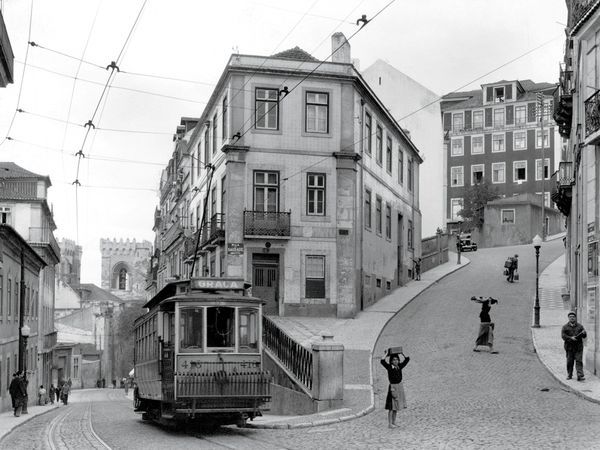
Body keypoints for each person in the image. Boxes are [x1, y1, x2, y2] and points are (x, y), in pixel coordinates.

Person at [380, 349, 410, 429]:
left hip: (399, 387)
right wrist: (386, 354)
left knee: (396, 407)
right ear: (391, 361)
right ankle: (390, 424)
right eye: (394, 360)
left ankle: (394, 422)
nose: (395, 361)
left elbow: (407, 359)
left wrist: (402, 353)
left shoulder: (399, 367)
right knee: (391, 407)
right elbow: (382, 361)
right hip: (393, 388)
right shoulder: (390, 367)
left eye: (397, 359)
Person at [561, 311, 587, 381]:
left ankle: (580, 375)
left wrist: (584, 333)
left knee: (579, 361)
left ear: (575, 318)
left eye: (573, 317)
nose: (572, 318)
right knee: (570, 362)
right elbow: (563, 336)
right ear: (568, 318)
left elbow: (584, 336)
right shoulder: (565, 327)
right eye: (570, 317)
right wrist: (570, 338)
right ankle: (569, 374)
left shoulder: (580, 326)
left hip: (578, 347)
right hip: (569, 347)